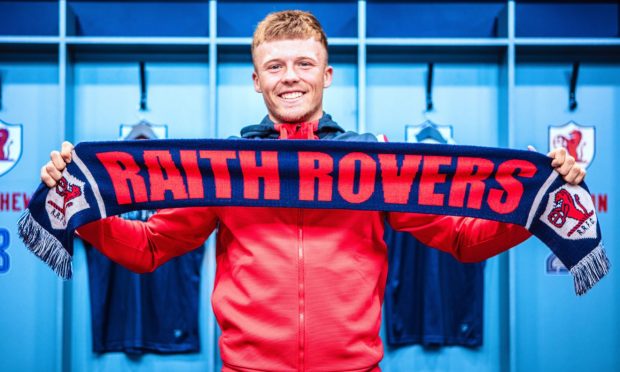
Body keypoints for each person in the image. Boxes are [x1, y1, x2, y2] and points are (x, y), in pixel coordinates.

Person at [40, 10, 585, 372]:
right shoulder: (223, 166)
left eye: (305, 63)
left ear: (328, 74)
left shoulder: (376, 162)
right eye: (273, 66)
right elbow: (151, 247)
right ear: (256, 80)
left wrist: (533, 206)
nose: (290, 77)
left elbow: (463, 240)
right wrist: (80, 208)